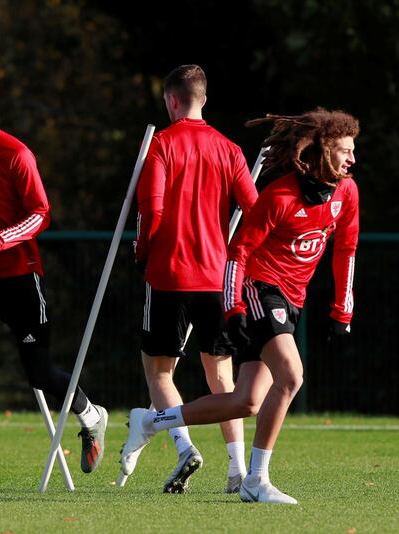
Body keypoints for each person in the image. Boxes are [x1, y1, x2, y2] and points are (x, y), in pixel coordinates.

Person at [121, 107, 359, 504]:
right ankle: (255, 480)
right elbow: (238, 253)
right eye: (345, 150)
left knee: (245, 402)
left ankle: (150, 420)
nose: (352, 159)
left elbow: (347, 249)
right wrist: (232, 308)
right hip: (261, 290)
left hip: (292, 298)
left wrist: (342, 310)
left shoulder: (347, 192)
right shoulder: (280, 195)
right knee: (292, 376)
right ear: (321, 151)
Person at [0, 72, 107, 492]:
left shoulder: (15, 153)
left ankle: (91, 416)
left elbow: (40, 213)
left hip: (18, 278)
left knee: (39, 373)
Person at [121, 65, 259, 494]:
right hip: (216, 277)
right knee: (222, 376)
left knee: (159, 372)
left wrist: (141, 250)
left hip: (168, 275)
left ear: (172, 100)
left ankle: (184, 448)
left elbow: (152, 210)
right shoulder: (230, 148)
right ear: (203, 99)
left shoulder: (162, 144)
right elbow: (253, 210)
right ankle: (237, 470)